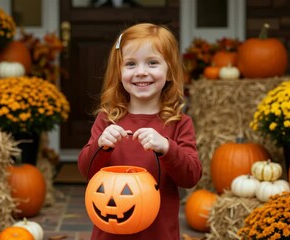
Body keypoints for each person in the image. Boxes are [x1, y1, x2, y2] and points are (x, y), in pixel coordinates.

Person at [78, 23, 203, 240]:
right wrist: (100, 145)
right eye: (131, 64)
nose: (141, 72)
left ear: (170, 71)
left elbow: (191, 177)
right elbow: (86, 171)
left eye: (152, 63)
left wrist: (167, 148)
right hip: (110, 232)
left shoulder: (179, 123)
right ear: (119, 72)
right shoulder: (107, 120)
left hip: (158, 234)